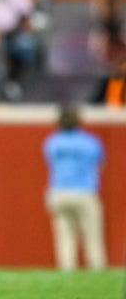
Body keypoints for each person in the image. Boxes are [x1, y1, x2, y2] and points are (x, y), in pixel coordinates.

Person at [43, 104, 106, 271]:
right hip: (85, 191)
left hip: (59, 192)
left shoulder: (53, 142)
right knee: (92, 237)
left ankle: (67, 272)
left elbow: (51, 162)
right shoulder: (90, 142)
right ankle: (97, 271)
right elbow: (99, 164)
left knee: (65, 237)